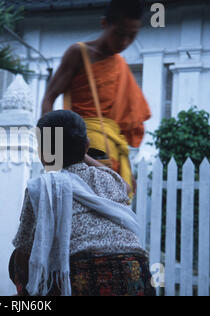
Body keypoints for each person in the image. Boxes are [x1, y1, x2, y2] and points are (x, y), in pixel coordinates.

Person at [11, 110, 155, 296]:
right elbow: (126, 187)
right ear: (86, 146)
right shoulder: (106, 179)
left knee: (17, 260)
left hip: (83, 275)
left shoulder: (41, 187)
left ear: (44, 153)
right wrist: (81, 153)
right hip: (135, 272)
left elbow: (23, 245)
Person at [41, 0, 151, 194]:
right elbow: (49, 98)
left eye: (131, 36)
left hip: (114, 155)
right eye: (119, 33)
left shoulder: (120, 65)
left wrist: (128, 168)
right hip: (81, 148)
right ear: (104, 24)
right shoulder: (79, 54)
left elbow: (123, 129)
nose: (124, 42)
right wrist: (51, 147)